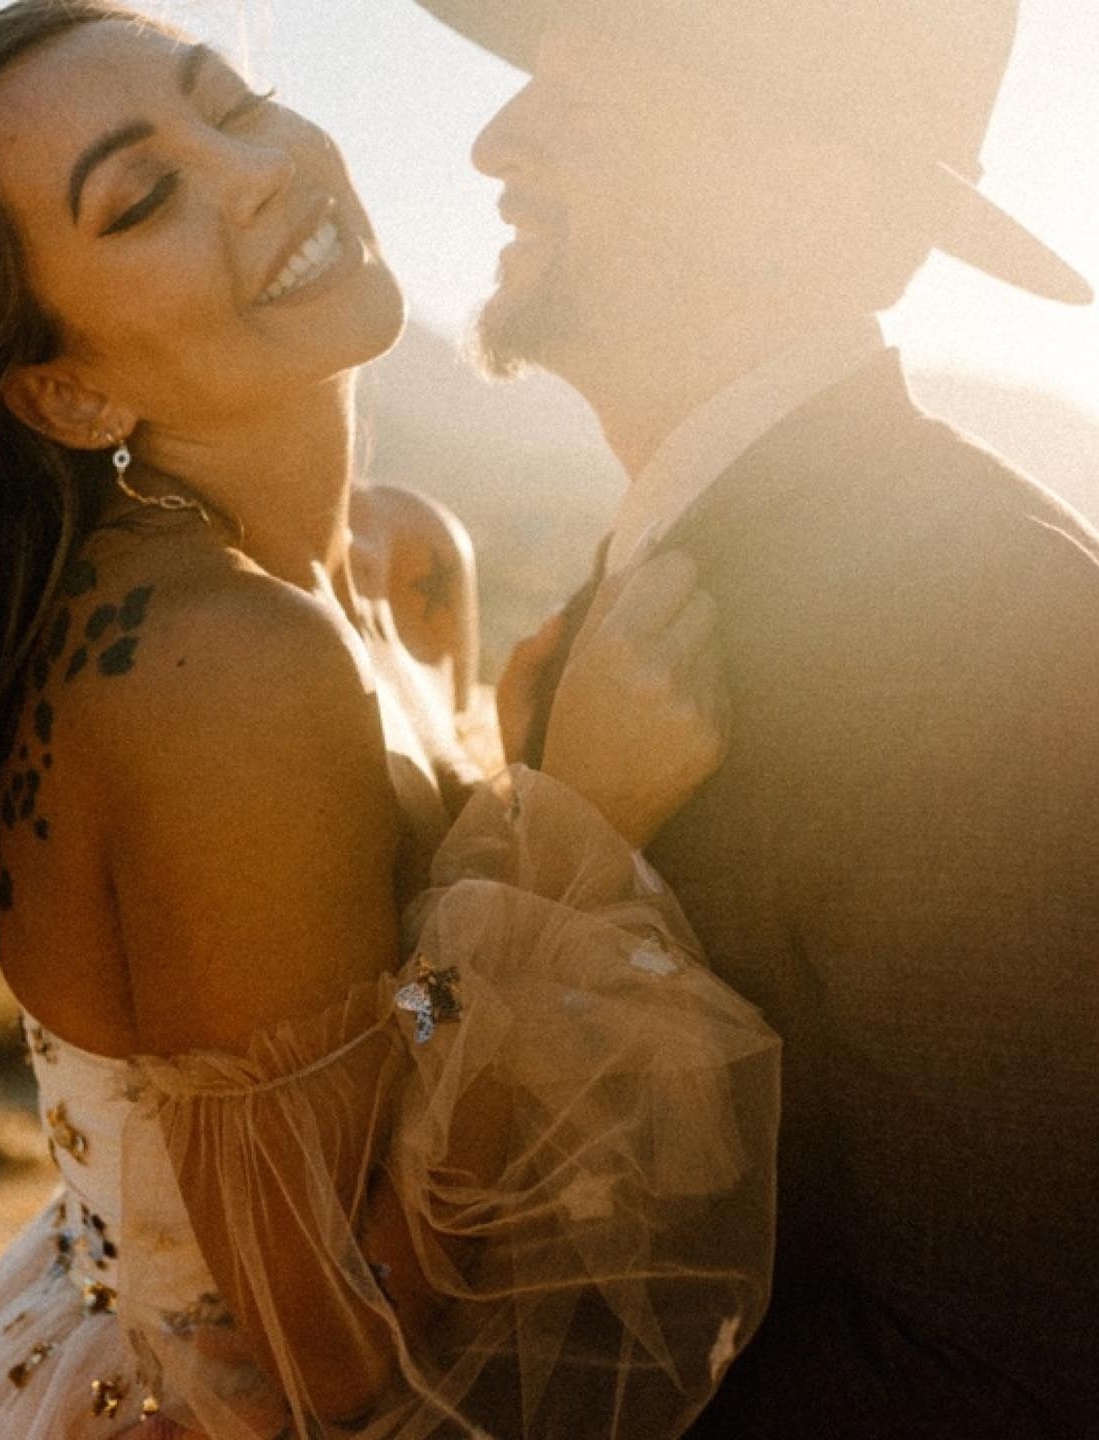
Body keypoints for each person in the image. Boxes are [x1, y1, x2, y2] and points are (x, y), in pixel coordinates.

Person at [0, 3, 780, 1436]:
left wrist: (515, 781)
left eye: (235, 106)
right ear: (70, 390)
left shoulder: (404, 555)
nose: (260, 171)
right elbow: (332, 1349)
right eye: (144, 196)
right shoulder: (216, 667)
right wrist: (573, 830)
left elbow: (382, 1002)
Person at [410, 0, 1099, 1434]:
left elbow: (1002, 1362)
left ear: (807, 189)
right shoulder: (686, 552)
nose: (495, 141)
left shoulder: (978, 618)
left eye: (588, 100)